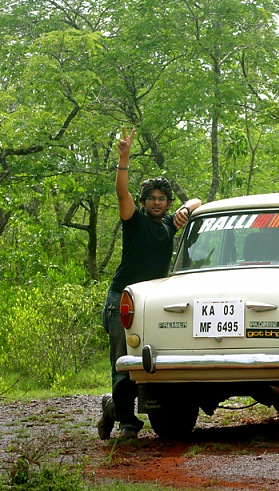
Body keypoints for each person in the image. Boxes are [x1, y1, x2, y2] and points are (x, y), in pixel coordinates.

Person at [98, 126, 201, 440]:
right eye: (151, 199)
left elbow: (196, 200)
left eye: (162, 199)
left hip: (150, 304)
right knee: (124, 365)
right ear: (143, 202)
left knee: (148, 363)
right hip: (122, 300)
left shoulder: (170, 224)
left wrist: (186, 208)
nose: (157, 203)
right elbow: (121, 193)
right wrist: (124, 159)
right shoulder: (135, 221)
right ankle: (128, 424)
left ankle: (112, 408)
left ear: (168, 203)